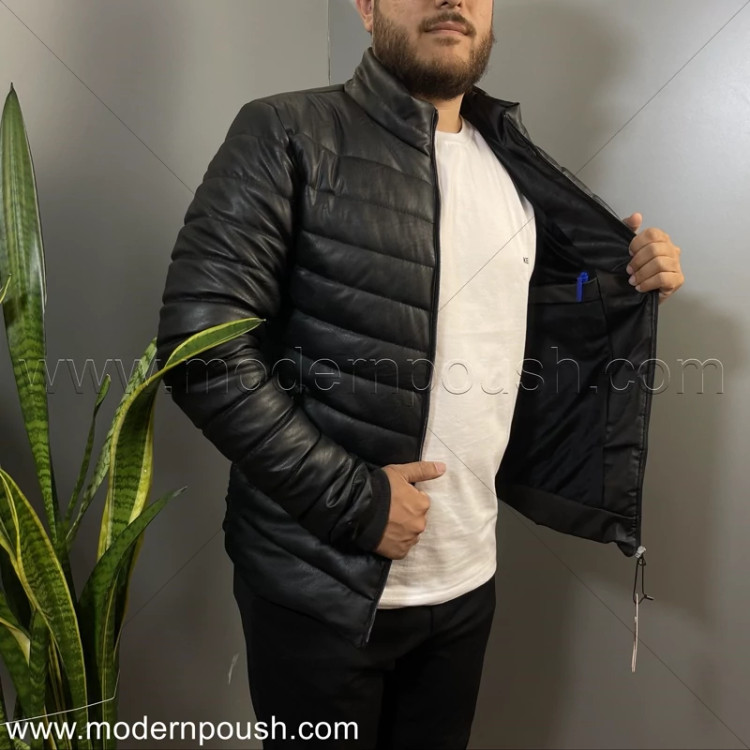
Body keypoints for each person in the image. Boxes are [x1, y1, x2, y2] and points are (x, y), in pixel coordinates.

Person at [155, 0, 684, 747]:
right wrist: (354, 500)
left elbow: (523, 320)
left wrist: (628, 277)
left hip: (466, 581)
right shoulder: (286, 131)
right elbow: (199, 345)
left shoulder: (514, 166)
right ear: (366, 7)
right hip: (322, 590)